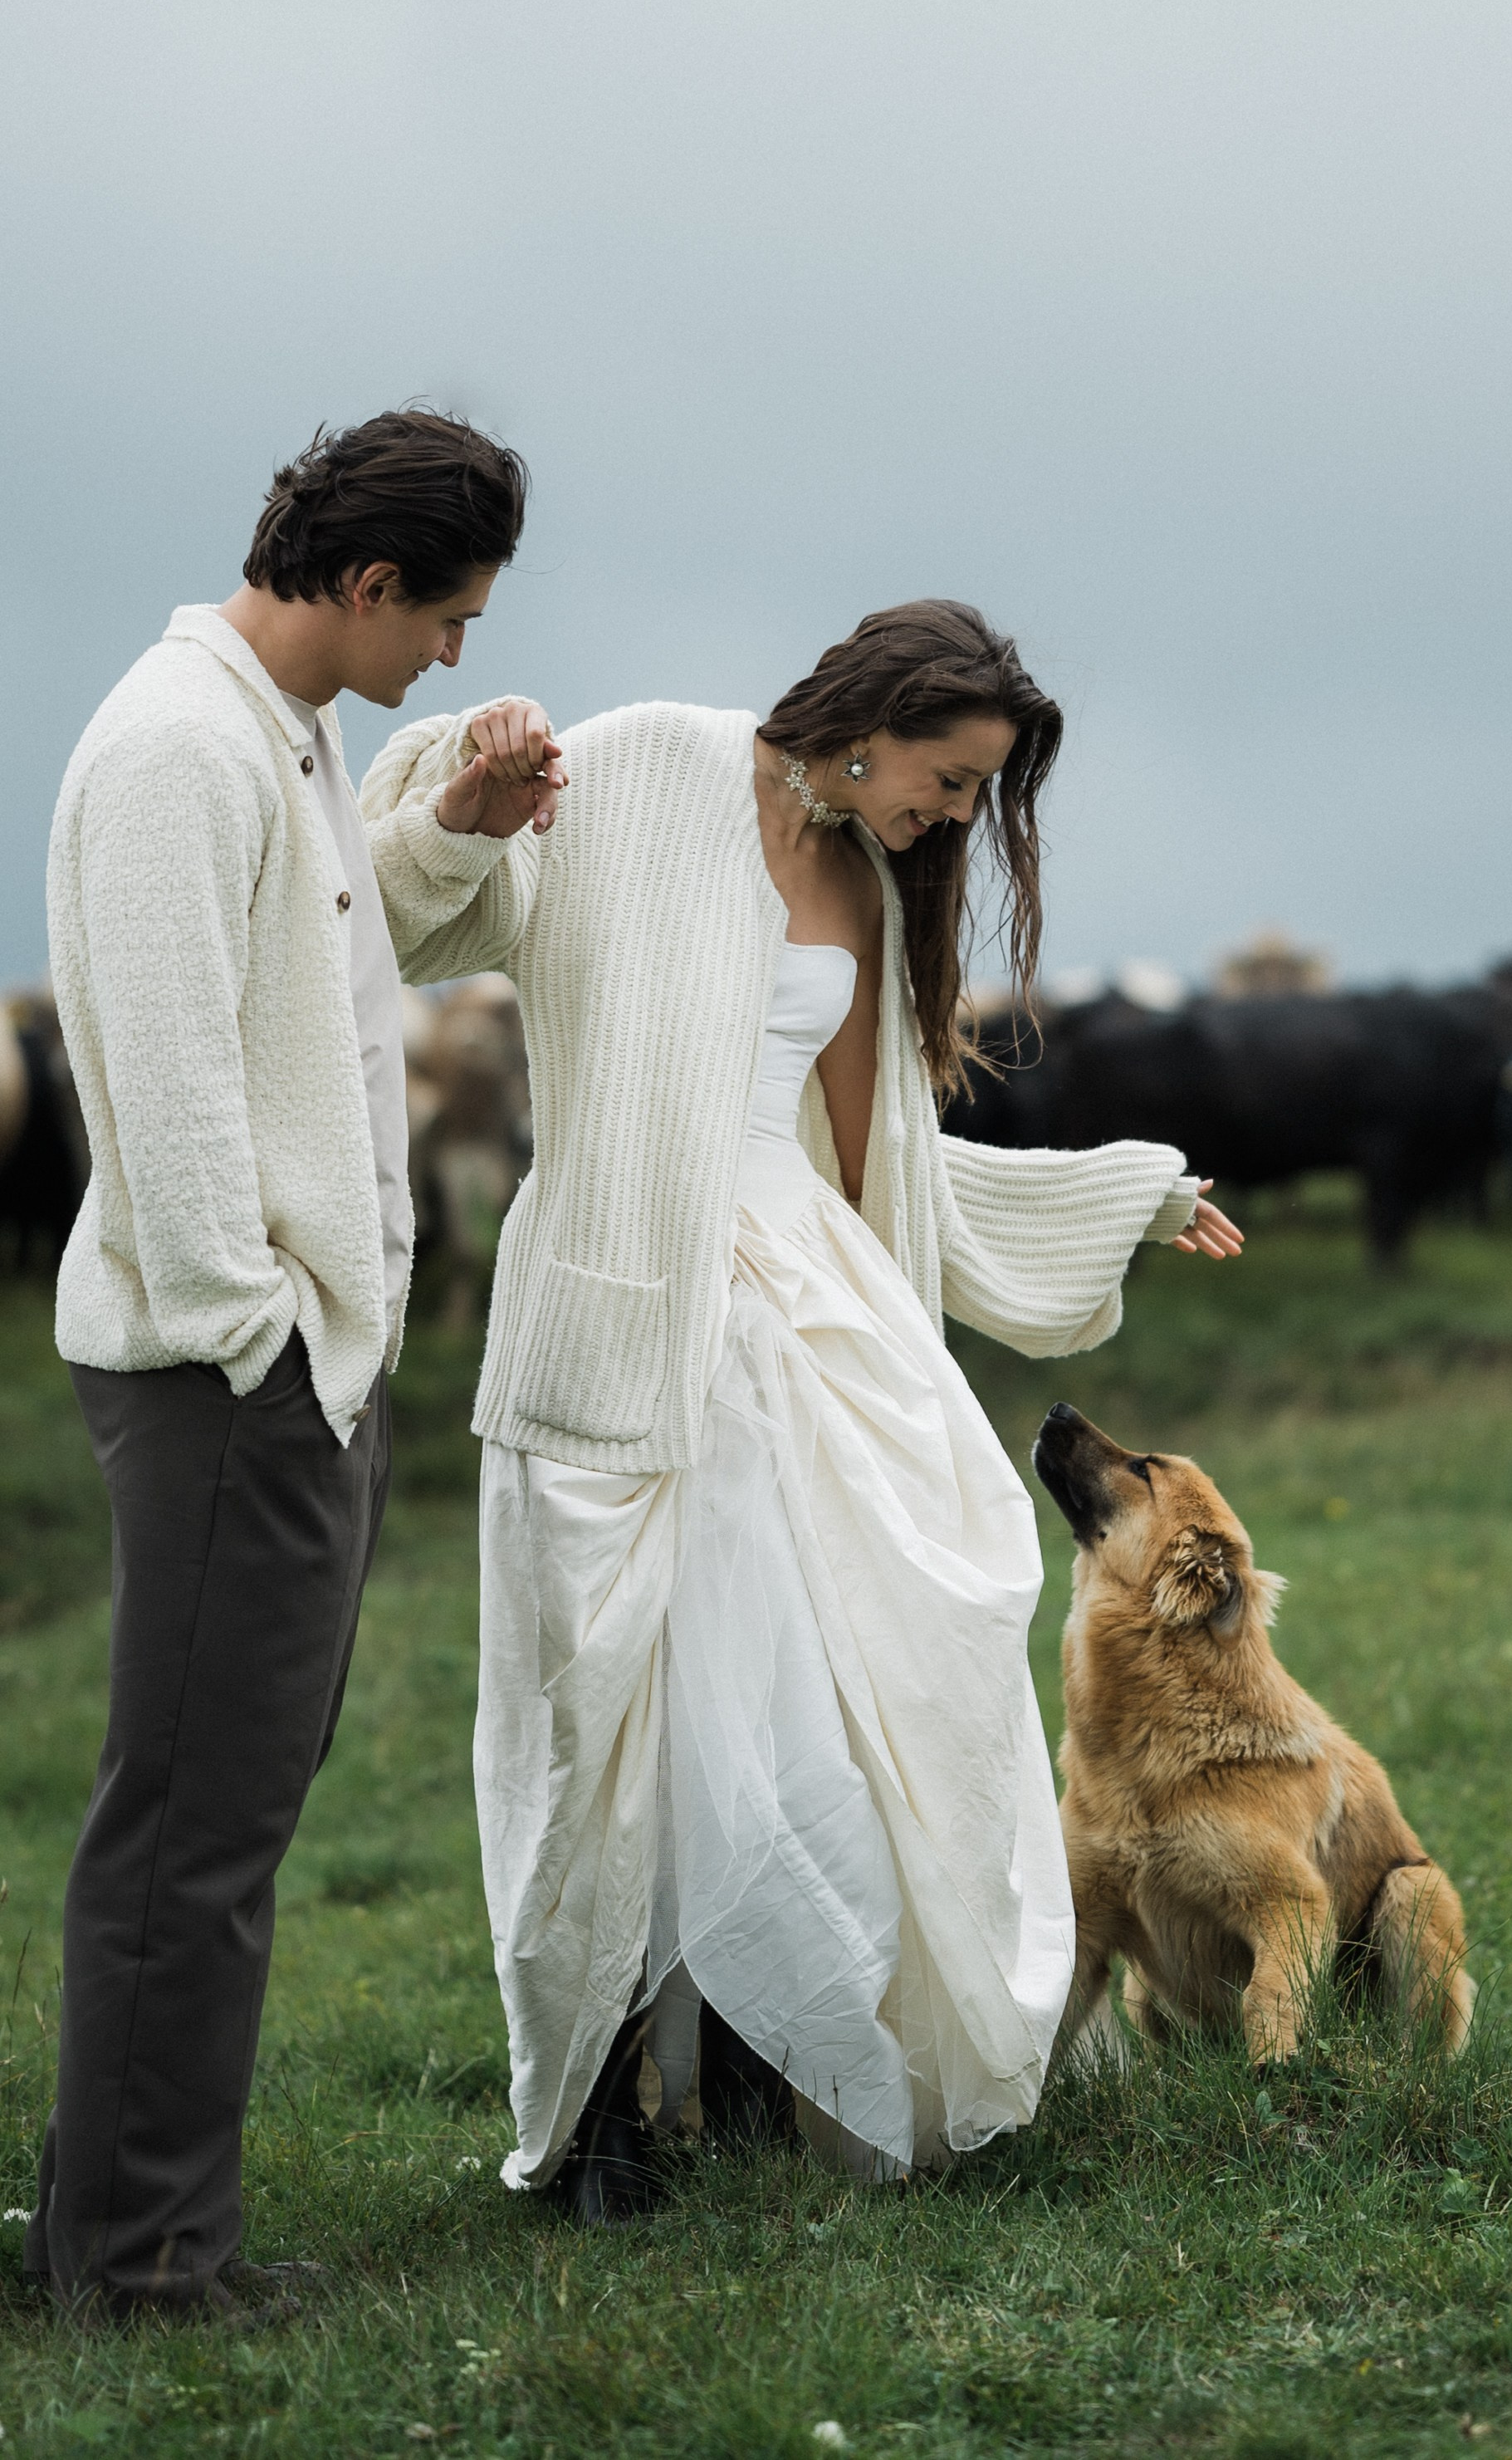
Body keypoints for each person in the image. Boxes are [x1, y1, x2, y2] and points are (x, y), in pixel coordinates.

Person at [361, 598, 1244, 2215]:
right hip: (617, 1306)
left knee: (804, 1707)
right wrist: (465, 791)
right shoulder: (639, 767)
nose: (953, 816)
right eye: (949, 777)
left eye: (976, 795)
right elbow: (419, 920)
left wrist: (1123, 1196)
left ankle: (766, 2060)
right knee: (606, 1717)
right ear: (873, 717)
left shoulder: (872, 887)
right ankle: (605, 2107)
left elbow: (887, 1158)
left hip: (805, 1323)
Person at [28, 410, 565, 2320]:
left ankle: (103, 2226)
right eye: (447, 616)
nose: (455, 653)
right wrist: (259, 1338)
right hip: (229, 1373)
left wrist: (457, 825)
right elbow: (168, 1086)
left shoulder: (279, 728)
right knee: (193, 1830)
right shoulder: (178, 746)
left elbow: (333, 942)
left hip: (288, 1366)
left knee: (217, 1812)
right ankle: (146, 2264)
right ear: (367, 581)